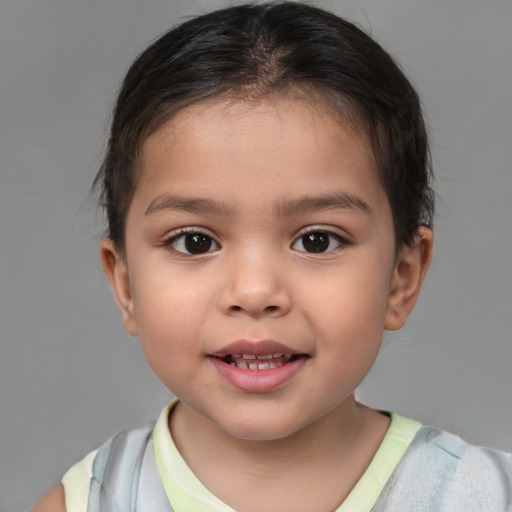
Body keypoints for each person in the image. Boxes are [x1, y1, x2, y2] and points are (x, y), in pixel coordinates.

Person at [30, 2, 512, 511]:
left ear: (401, 277)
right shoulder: (87, 503)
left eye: (317, 240)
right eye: (195, 241)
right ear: (125, 284)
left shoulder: (485, 495)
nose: (256, 292)